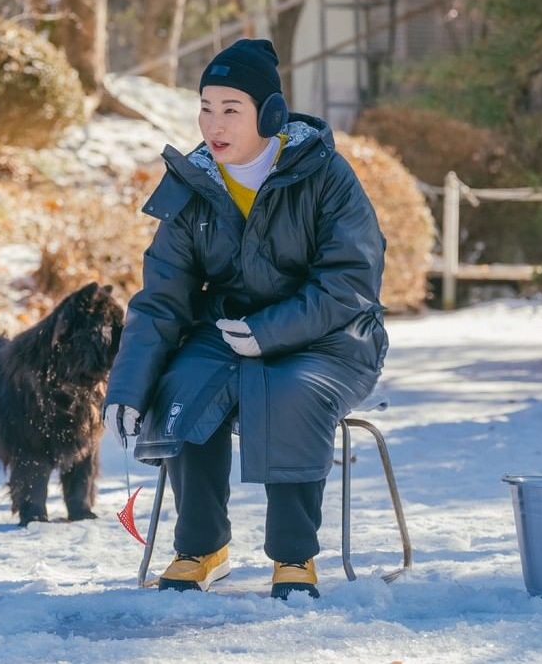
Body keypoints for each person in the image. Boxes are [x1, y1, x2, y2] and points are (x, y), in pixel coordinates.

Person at [103, 38, 388, 600]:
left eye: (231, 109)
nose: (215, 124)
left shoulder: (325, 174)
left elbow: (350, 282)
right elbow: (161, 298)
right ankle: (202, 547)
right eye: (206, 108)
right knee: (183, 384)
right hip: (229, 331)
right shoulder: (194, 182)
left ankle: (294, 555)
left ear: (271, 114)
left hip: (332, 338)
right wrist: (127, 387)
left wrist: (270, 332)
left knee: (291, 390)